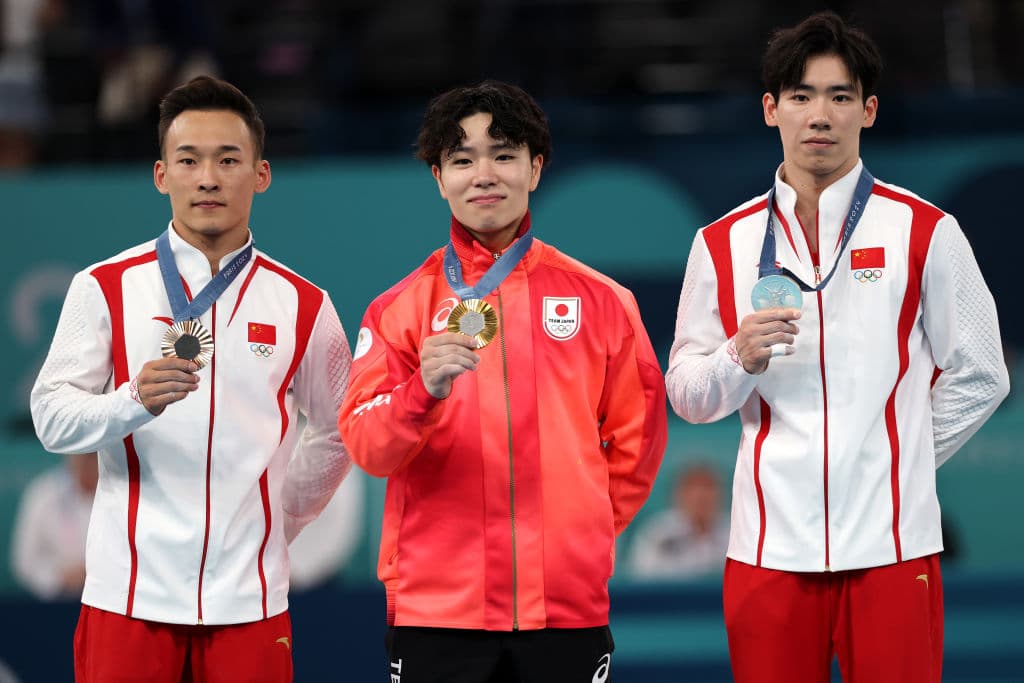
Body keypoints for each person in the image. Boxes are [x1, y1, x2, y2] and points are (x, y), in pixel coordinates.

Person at [664, 11, 1009, 683]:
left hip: (893, 547)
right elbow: (686, 394)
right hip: (768, 550)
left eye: (840, 96)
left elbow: (982, 373)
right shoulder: (722, 243)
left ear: (868, 110)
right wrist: (737, 358)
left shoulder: (925, 230)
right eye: (801, 96)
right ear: (771, 109)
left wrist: (896, 458)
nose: (819, 115)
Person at [337, 80, 667, 683]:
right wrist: (420, 393)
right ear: (439, 179)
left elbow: (637, 442)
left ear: (535, 169)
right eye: (462, 160)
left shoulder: (604, 302)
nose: (484, 175)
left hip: (566, 608)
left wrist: (578, 536)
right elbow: (366, 446)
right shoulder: (398, 311)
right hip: (438, 612)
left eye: (504, 155)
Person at [30, 75, 352, 682]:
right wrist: (129, 402)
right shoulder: (103, 286)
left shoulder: (304, 304)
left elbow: (340, 428)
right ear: (161, 175)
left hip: (250, 600)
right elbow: (50, 417)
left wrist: (279, 518)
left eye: (228, 160)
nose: (208, 178)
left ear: (261, 174)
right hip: (127, 596)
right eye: (189, 160)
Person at [10, 453, 97, 600]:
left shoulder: (123, 493)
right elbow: (24, 562)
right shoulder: (43, 493)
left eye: (92, 456)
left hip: (111, 603)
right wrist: (61, 577)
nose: (87, 462)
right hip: (56, 604)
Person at [627, 462, 728, 581]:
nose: (700, 496)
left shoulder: (735, 535)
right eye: (691, 488)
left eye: (708, 487)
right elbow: (642, 581)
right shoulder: (656, 534)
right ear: (677, 494)